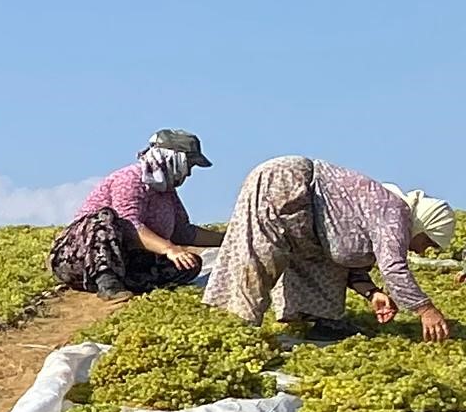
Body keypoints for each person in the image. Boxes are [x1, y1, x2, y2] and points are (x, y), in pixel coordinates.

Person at [209, 156, 456, 342]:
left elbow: (345, 258)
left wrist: (372, 293)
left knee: (317, 258)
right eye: (428, 242)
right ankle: (238, 331)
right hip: (287, 182)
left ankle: (317, 319)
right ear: (424, 226)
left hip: (307, 215)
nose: (423, 251)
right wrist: (426, 309)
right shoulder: (395, 212)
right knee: (262, 255)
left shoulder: (383, 214)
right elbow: (393, 267)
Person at [46, 128, 212, 296]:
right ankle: (107, 282)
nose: (189, 173)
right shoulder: (131, 178)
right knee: (104, 219)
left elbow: (182, 232)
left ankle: (129, 281)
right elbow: (129, 224)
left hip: (128, 261)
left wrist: (228, 238)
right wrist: (168, 248)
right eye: (189, 165)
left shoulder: (167, 192)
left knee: (189, 264)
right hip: (83, 258)